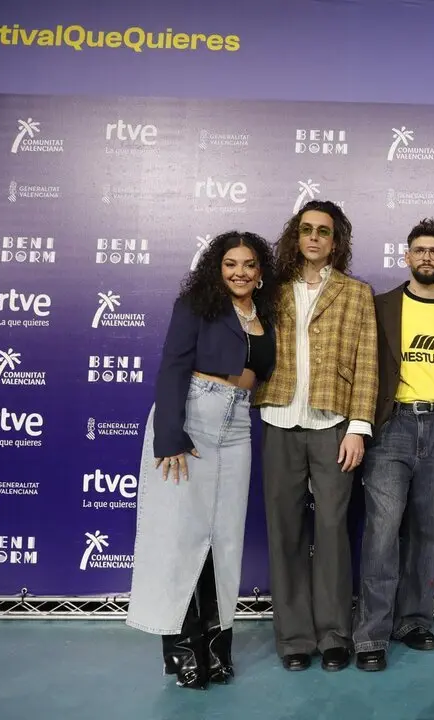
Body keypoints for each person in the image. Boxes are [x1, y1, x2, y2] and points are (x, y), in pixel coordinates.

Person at [127, 230, 278, 690]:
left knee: (223, 541)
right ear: (218, 267)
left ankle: (216, 648)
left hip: (238, 428)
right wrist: (170, 435)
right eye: (231, 263)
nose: (240, 272)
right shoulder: (196, 305)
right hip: (192, 419)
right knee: (181, 538)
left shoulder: (266, 315)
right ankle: (183, 651)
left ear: (260, 271)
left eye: (249, 264)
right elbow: (172, 365)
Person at [253, 200, 379, 672]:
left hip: (334, 427)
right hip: (280, 420)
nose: (314, 238)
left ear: (335, 240)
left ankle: (333, 636)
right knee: (284, 532)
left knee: (331, 532)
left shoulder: (355, 293)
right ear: (296, 236)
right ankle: (293, 640)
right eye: (306, 230)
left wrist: (359, 428)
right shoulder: (273, 292)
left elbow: (367, 364)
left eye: (323, 231)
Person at [352, 219, 434, 671]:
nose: (426, 257)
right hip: (391, 426)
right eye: (419, 250)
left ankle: (415, 620)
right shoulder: (380, 306)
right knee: (382, 533)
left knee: (428, 532)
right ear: (406, 256)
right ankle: (371, 636)